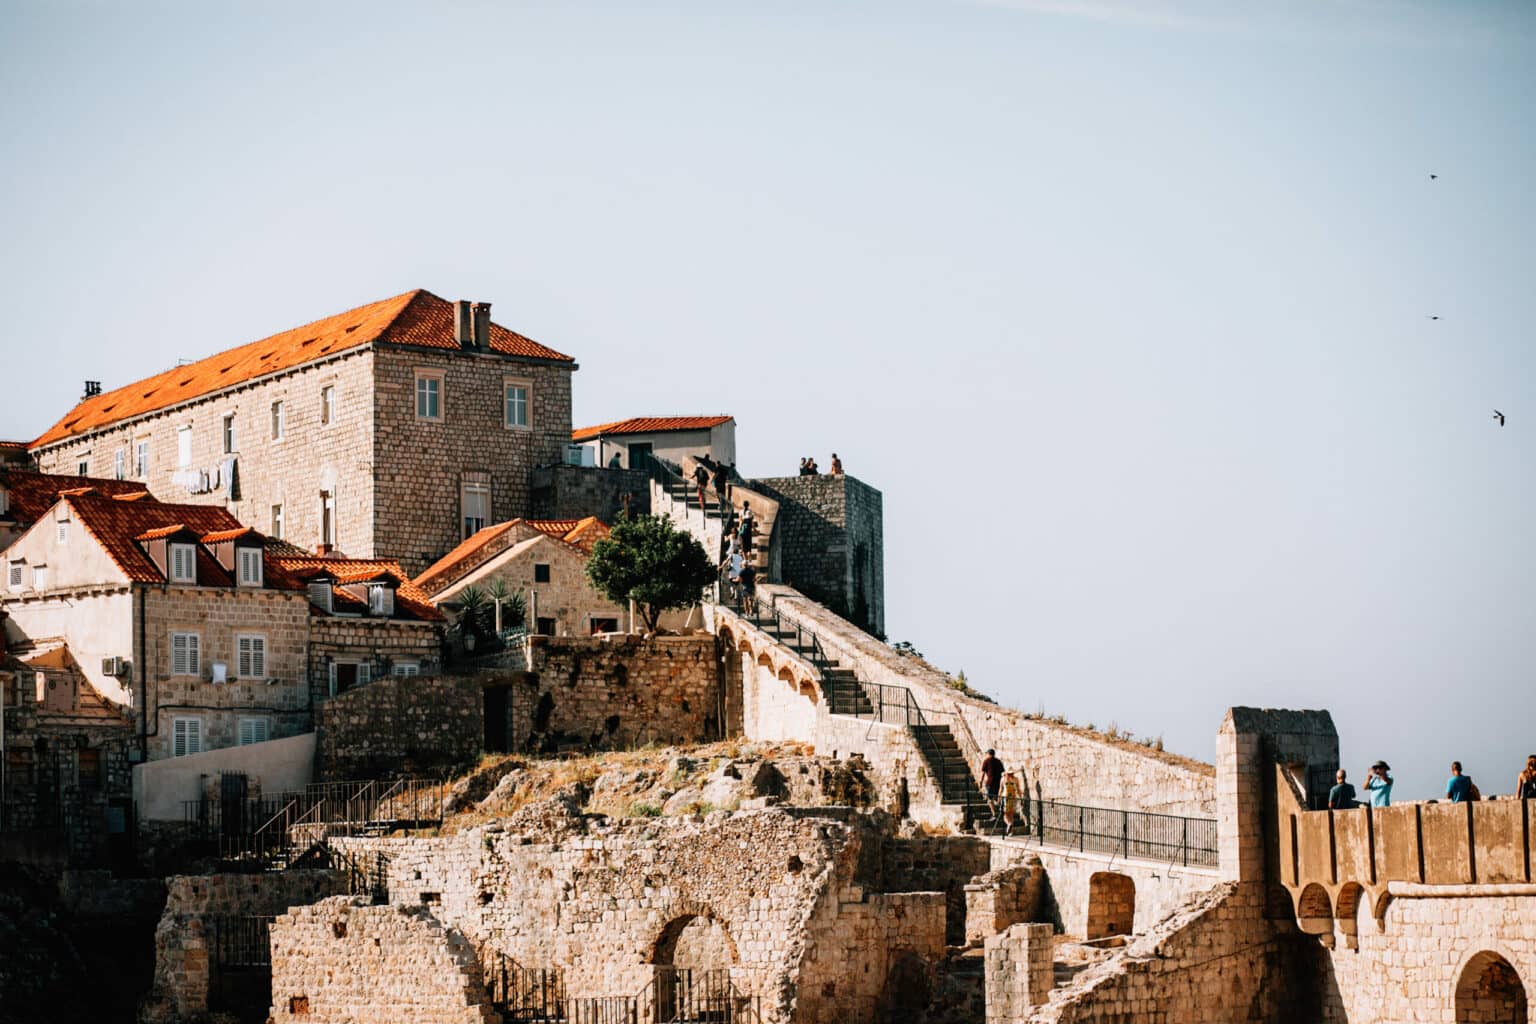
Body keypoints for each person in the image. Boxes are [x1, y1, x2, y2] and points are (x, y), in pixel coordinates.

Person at [979, 749, 1005, 815]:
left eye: (986, 754)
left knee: (990, 799)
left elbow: (983, 773)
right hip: (998, 782)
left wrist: (981, 782)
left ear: (988, 754)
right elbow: (1002, 772)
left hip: (990, 782)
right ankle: (1000, 809)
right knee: (997, 797)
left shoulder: (986, 761)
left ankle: (994, 814)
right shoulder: (998, 761)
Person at [1001, 771, 1021, 836]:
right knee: (1011, 814)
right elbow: (1018, 789)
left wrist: (998, 798)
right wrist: (1021, 798)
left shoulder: (1003, 779)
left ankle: (1009, 824)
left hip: (1005, 798)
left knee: (1005, 815)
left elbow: (1000, 789)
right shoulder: (1016, 779)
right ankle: (1010, 832)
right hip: (1013, 797)